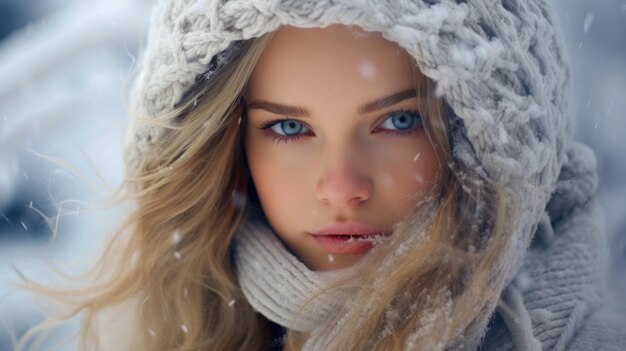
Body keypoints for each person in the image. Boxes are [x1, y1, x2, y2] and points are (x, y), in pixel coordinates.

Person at [18, 0, 626, 350]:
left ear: (489, 136)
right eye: (288, 128)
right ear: (224, 146)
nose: (341, 187)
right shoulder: (170, 331)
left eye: (398, 121)